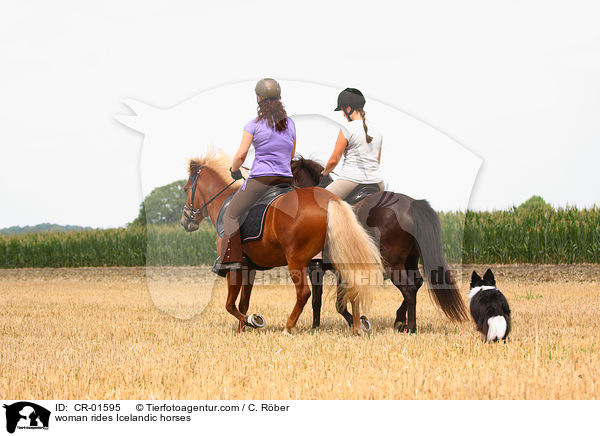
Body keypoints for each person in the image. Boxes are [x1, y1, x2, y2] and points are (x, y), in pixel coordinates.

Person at [214, 78, 296, 274]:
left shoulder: (253, 124)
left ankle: (231, 258)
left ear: (258, 98)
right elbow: (291, 154)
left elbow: (241, 155)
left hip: (261, 180)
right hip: (286, 180)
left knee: (231, 214)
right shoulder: (290, 124)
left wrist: (234, 170)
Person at [321, 88, 384, 199]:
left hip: (352, 180)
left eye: (342, 111)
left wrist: (324, 173)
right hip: (378, 183)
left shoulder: (347, 129)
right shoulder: (377, 131)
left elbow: (334, 160)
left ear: (348, 108)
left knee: (318, 200)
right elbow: (377, 161)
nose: (343, 115)